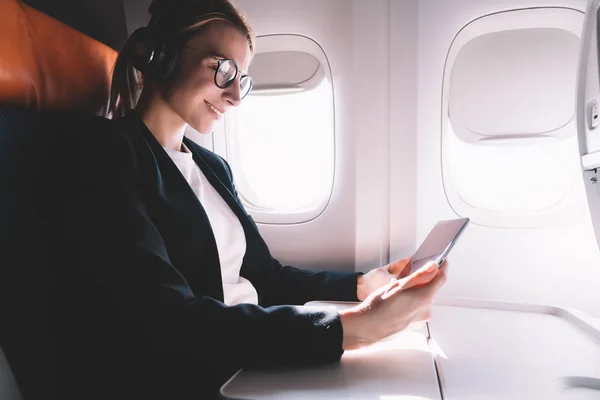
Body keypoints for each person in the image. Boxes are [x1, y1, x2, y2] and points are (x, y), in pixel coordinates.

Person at [50, 0, 448, 399]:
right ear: (163, 55)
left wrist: (362, 285)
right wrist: (355, 327)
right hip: (204, 372)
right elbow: (168, 321)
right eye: (223, 70)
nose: (236, 95)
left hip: (252, 356)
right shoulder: (107, 152)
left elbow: (265, 278)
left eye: (243, 78)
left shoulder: (212, 167)